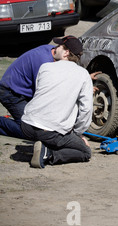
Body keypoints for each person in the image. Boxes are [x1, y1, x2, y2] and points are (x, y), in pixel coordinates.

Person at [0, 36, 99, 139]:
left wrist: (82, 81)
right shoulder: (44, 61)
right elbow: (49, 91)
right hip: (10, 92)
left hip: (23, 91)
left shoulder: (53, 54)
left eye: (60, 46)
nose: (56, 48)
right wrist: (81, 89)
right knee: (29, 131)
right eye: (58, 45)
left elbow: (63, 75)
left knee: (38, 128)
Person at [20, 36, 94, 168]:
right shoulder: (83, 75)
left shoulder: (45, 67)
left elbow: (39, 93)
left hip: (27, 125)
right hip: (50, 131)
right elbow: (86, 110)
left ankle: (43, 145)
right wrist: (77, 134)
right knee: (85, 151)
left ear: (66, 52)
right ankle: (48, 154)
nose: (55, 48)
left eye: (59, 46)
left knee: (49, 134)